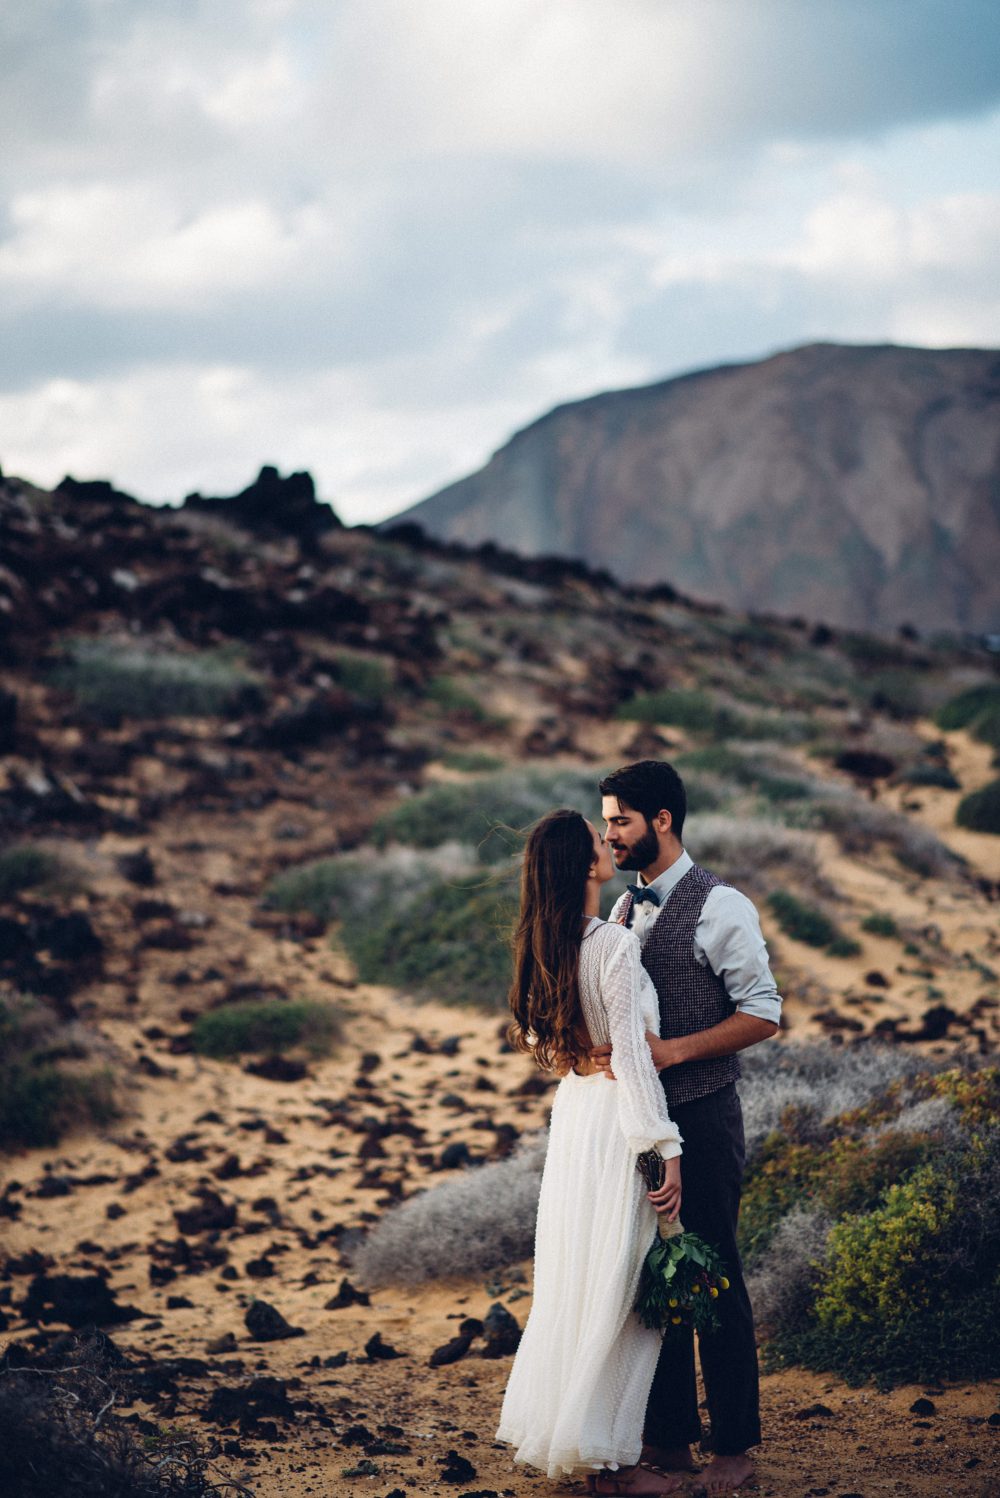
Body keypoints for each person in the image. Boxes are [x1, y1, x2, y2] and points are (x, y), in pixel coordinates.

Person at [593, 760, 782, 1497]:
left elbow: (763, 1012)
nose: (610, 833)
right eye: (608, 821)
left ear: (661, 821)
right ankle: (668, 1438)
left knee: (715, 1272)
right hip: (643, 1125)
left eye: (620, 820)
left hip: (704, 1116)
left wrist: (675, 1050)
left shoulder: (721, 906)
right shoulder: (620, 911)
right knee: (654, 1275)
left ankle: (734, 1445)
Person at [495, 809, 687, 1494]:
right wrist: (664, 1149)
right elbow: (634, 1061)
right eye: (598, 840)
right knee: (623, 1287)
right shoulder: (612, 945)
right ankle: (617, 1465)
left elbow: (533, 1038)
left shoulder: (545, 943)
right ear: (583, 867)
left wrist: (571, 1053)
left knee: (577, 1283)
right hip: (616, 1128)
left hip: (575, 1118)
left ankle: (582, 1444)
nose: (610, 844)